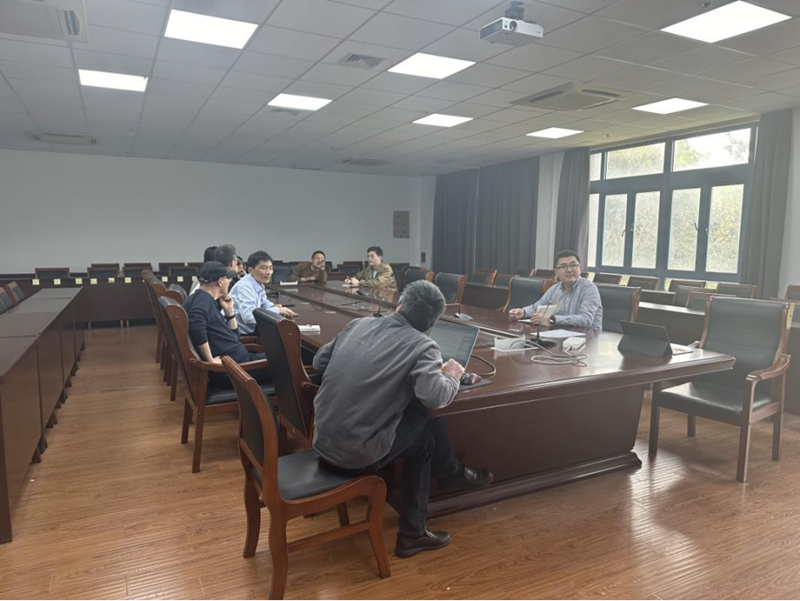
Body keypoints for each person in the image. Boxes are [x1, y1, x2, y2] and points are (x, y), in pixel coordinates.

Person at [312, 281, 492, 558]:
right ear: (430, 324)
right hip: (354, 456)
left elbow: (319, 363)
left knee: (422, 422)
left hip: (322, 439)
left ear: (399, 306)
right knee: (426, 437)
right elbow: (436, 398)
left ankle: (450, 474)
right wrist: (451, 375)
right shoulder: (423, 345)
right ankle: (414, 530)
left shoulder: (358, 324)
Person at [183, 261, 270, 385]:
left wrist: (229, 311)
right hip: (233, 369)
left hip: (237, 363)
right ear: (220, 281)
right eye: (228, 279)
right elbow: (196, 326)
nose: (230, 282)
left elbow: (235, 338)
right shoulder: (203, 300)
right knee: (288, 358)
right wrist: (210, 361)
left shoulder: (202, 299)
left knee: (284, 356)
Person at [508, 250, 603, 330]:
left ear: (580, 269)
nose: (569, 270)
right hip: (561, 335)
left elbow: (586, 319)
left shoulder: (589, 288)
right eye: (563, 266)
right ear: (556, 271)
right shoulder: (554, 288)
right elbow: (537, 307)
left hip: (587, 338)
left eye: (573, 265)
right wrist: (522, 312)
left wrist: (552, 319)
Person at [230, 251, 297, 335]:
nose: (268, 272)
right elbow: (249, 317)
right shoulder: (244, 286)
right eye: (264, 268)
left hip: (253, 329)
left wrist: (274, 307)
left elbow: (263, 302)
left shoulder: (257, 283)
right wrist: (277, 310)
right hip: (239, 334)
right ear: (251, 270)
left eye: (270, 268)